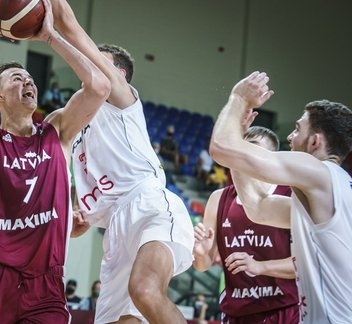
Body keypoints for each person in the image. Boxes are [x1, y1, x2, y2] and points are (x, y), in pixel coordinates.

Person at [0, 0, 110, 322]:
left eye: (29, 78)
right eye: (16, 79)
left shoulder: (57, 131)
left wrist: (51, 37)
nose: (28, 82)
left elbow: (98, 87)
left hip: (46, 283)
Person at [52, 0, 194, 323]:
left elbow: (73, 29)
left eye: (95, 60)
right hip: (115, 226)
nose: (85, 63)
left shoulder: (120, 99)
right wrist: (83, 217)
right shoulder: (76, 123)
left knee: (145, 290)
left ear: (119, 75)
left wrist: (52, 27)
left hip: (149, 204)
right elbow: (86, 210)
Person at [210, 71, 352, 323]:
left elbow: (221, 148)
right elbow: (258, 208)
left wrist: (238, 98)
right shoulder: (333, 190)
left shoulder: (319, 173)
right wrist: (240, 144)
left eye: (298, 129)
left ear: (315, 142)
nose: (290, 137)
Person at [193, 126, 299, 323]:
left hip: (284, 307)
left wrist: (260, 266)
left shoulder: (292, 195)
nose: (244, 153)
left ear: (271, 159)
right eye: (241, 147)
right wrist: (200, 254)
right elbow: (202, 266)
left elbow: (307, 264)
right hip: (237, 311)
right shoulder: (218, 198)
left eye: (253, 147)